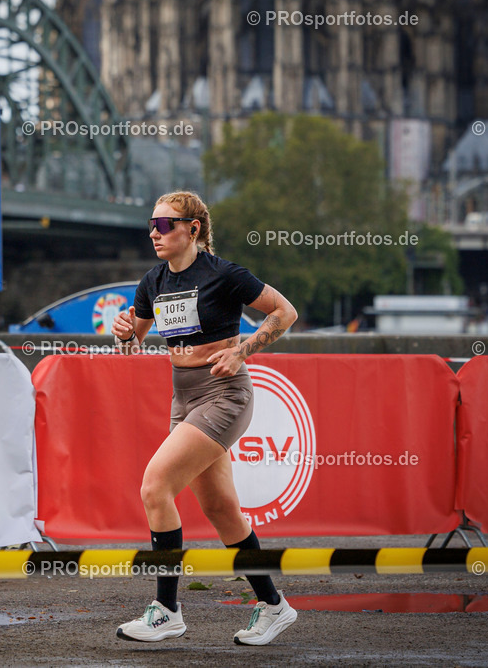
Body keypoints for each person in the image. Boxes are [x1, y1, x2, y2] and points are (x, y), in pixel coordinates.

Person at [111, 191, 299, 646]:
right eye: (152, 224)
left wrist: (242, 350)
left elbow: (285, 312)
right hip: (184, 398)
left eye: (164, 224)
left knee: (155, 485)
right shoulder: (152, 282)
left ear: (192, 229)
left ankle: (167, 610)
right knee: (221, 510)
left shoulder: (224, 274)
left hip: (225, 393)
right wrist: (120, 334)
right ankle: (274, 606)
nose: (154, 233)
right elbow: (131, 343)